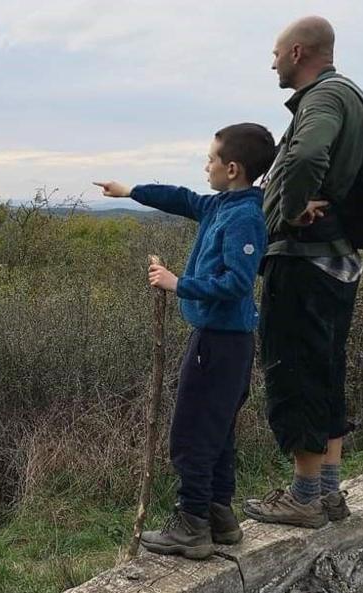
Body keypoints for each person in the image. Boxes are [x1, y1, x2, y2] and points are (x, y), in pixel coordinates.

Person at [94, 122, 276, 559]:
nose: (205, 166)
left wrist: (180, 284)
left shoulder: (244, 218)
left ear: (232, 168)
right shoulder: (221, 207)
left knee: (192, 433)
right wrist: (131, 190)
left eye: (210, 159)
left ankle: (192, 525)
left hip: (220, 343)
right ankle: (219, 517)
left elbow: (236, 282)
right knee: (217, 432)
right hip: (222, 341)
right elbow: (181, 198)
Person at [242, 16, 363, 529]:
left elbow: (310, 152)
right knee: (325, 370)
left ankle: (303, 497)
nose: (271, 62)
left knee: (293, 372)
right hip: (335, 259)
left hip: (305, 261)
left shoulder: (323, 98)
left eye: (275, 53)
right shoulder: (349, 95)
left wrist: (289, 209)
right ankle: (328, 493)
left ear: (297, 52)